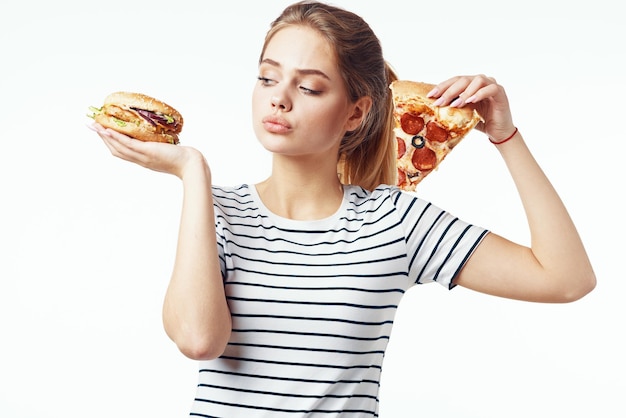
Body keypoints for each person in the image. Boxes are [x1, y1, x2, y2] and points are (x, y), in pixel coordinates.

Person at [89, 1, 596, 416]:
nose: (280, 100)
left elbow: (566, 278)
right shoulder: (213, 211)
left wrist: (504, 134)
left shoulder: (395, 220)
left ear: (356, 111)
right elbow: (199, 340)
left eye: (308, 87)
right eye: (268, 79)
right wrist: (193, 173)